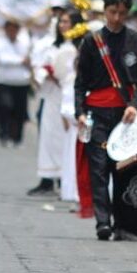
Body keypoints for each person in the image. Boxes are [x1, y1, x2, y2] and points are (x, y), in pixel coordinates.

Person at [74, 0, 137, 241]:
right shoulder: (91, 41)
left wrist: (134, 105)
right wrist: (80, 112)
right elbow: (80, 82)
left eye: (121, 12)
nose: (117, 18)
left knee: (122, 168)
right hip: (97, 112)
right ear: (105, 11)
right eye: (112, 12)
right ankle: (102, 222)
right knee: (98, 169)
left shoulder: (136, 41)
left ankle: (122, 222)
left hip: (124, 114)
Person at [30, 11, 83, 197]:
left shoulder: (80, 47)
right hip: (53, 97)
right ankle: (47, 177)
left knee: (67, 138)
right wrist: (45, 73)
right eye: (61, 22)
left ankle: (65, 179)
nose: (62, 25)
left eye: (67, 21)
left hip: (69, 96)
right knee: (48, 135)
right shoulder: (54, 46)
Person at [0, 20, 32, 148]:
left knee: (20, 111)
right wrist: (20, 61)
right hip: (4, 81)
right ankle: (5, 133)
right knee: (6, 106)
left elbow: (29, 59)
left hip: (21, 82)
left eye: (15, 29)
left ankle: (17, 138)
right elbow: (1, 59)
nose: (12, 32)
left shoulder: (24, 43)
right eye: (10, 29)